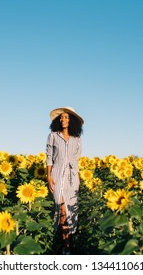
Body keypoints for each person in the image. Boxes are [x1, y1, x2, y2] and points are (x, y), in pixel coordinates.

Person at [46, 107, 84, 255]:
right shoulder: (53, 136)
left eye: (66, 117)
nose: (63, 120)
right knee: (61, 209)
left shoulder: (77, 140)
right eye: (61, 118)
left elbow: (76, 159)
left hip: (72, 178)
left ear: (71, 120)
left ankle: (67, 244)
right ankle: (65, 245)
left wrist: (78, 179)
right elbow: (49, 157)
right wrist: (48, 176)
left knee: (71, 211)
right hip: (56, 175)